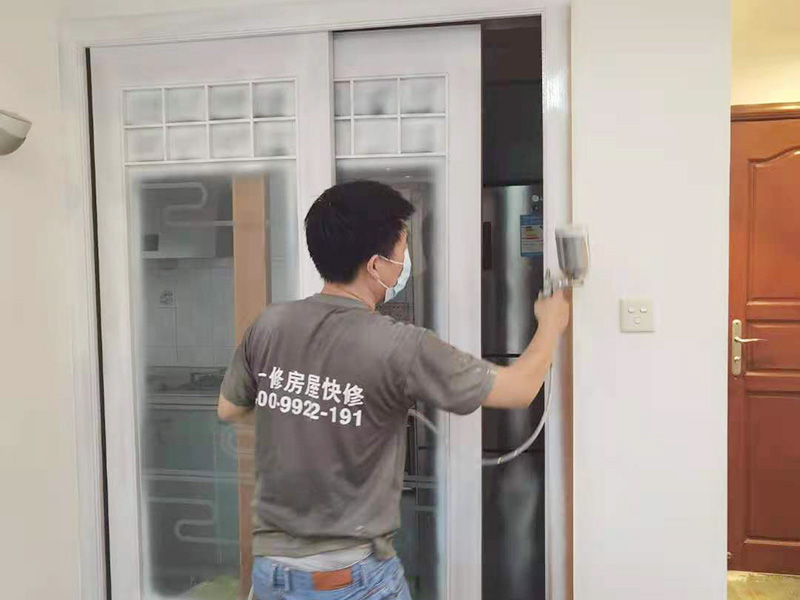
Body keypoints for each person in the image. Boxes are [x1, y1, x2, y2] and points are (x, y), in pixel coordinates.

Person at [218, 180, 570, 600]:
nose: (406, 262)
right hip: (349, 580)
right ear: (375, 266)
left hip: (270, 574)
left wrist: (305, 411)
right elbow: (519, 389)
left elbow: (229, 408)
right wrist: (551, 324)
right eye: (402, 250)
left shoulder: (270, 324)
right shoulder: (399, 345)